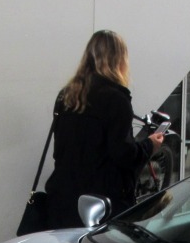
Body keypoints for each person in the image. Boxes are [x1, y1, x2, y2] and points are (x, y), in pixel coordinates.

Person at [43, 30, 163, 229]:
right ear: (120, 59)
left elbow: (60, 151)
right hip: (98, 204)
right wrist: (150, 145)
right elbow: (123, 154)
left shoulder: (67, 95)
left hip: (63, 198)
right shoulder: (116, 99)